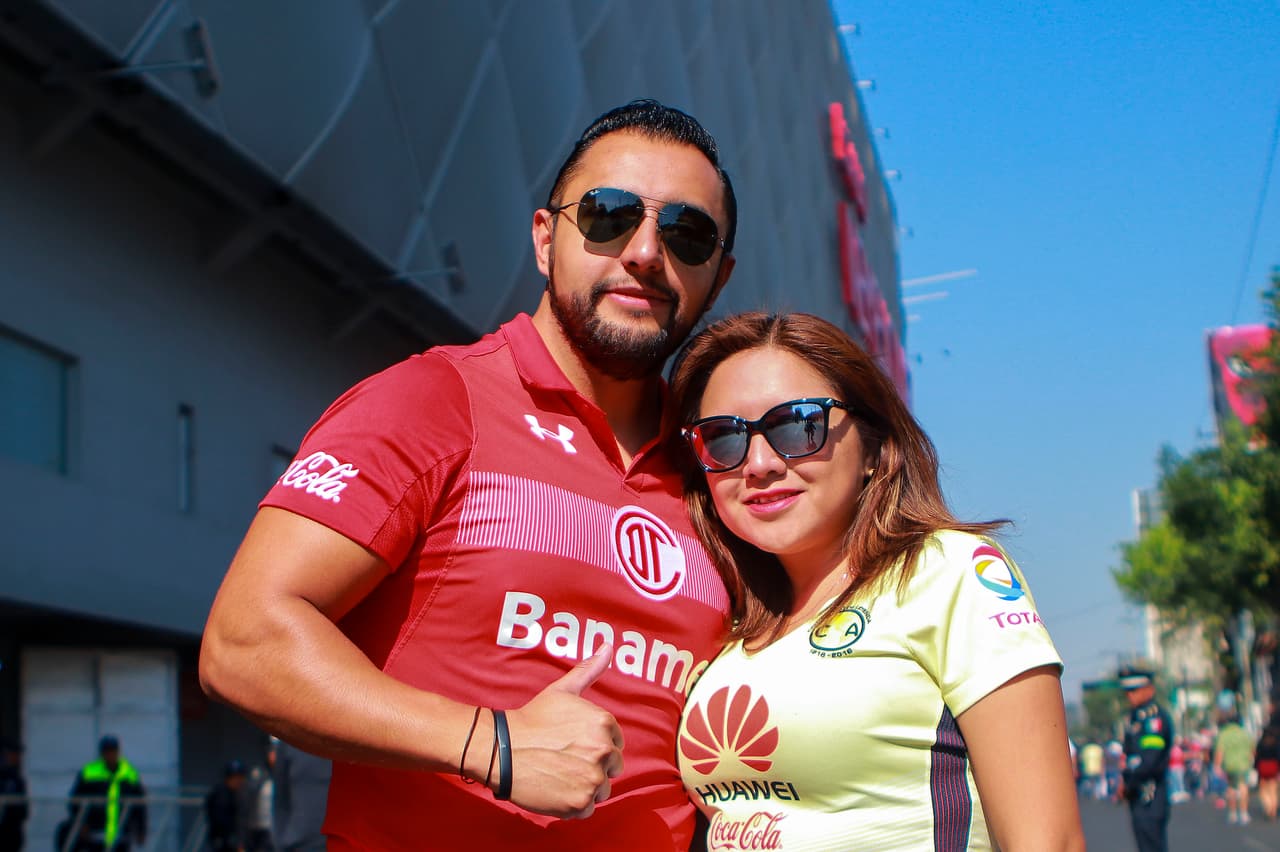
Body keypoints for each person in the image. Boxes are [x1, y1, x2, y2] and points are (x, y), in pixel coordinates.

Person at [199, 98, 738, 851]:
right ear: (546, 239)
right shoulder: (433, 400)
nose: (647, 252)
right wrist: (493, 744)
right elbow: (244, 642)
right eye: (610, 215)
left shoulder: (721, 473)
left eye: (688, 233)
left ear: (719, 274)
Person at [668, 312, 1083, 850]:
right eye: (723, 438)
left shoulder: (949, 571)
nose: (759, 463)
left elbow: (1047, 842)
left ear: (872, 446)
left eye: (796, 425)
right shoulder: (729, 629)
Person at [1116, 667, 1173, 852]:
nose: (1129, 696)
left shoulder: (1152, 719)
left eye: (1134, 691)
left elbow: (1149, 760)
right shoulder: (1135, 718)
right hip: (1137, 794)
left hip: (1150, 792)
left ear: (1149, 689)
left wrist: (1128, 780)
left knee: (1152, 845)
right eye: (1127, 692)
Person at [65, 735, 146, 851]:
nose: (110, 755)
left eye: (113, 751)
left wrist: (141, 830)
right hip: (95, 834)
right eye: (107, 751)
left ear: (118, 752)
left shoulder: (129, 774)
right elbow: (75, 802)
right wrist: (81, 824)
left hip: (122, 834)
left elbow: (140, 805)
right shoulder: (89, 773)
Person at [271, 739, 330, 852]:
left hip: (338, 843)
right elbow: (280, 800)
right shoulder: (288, 743)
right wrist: (279, 843)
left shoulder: (346, 739)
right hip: (298, 845)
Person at [1214, 709, 1255, 825]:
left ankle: (1232, 813)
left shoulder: (1224, 734)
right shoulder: (1245, 733)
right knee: (1243, 787)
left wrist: (1217, 765)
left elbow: (1220, 751)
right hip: (1243, 764)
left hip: (1229, 765)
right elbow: (1252, 749)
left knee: (1231, 788)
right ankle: (1243, 812)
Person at [207, 760, 248, 851]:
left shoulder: (240, 794)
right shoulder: (220, 794)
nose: (239, 781)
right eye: (235, 778)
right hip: (223, 841)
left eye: (240, 778)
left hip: (237, 840)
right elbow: (218, 820)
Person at [0, 737, 27, 852]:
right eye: (14, 754)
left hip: (13, 831)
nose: (18, 758)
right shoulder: (5, 776)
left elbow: (23, 807)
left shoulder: (16, 777)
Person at [1255, 723, 1280, 821]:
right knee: (1273, 790)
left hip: (1263, 767)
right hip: (1273, 767)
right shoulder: (1276, 744)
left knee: (1263, 790)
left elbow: (1257, 757)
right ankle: (1273, 809)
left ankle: (1268, 806)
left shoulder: (1260, 743)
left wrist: (1256, 767)